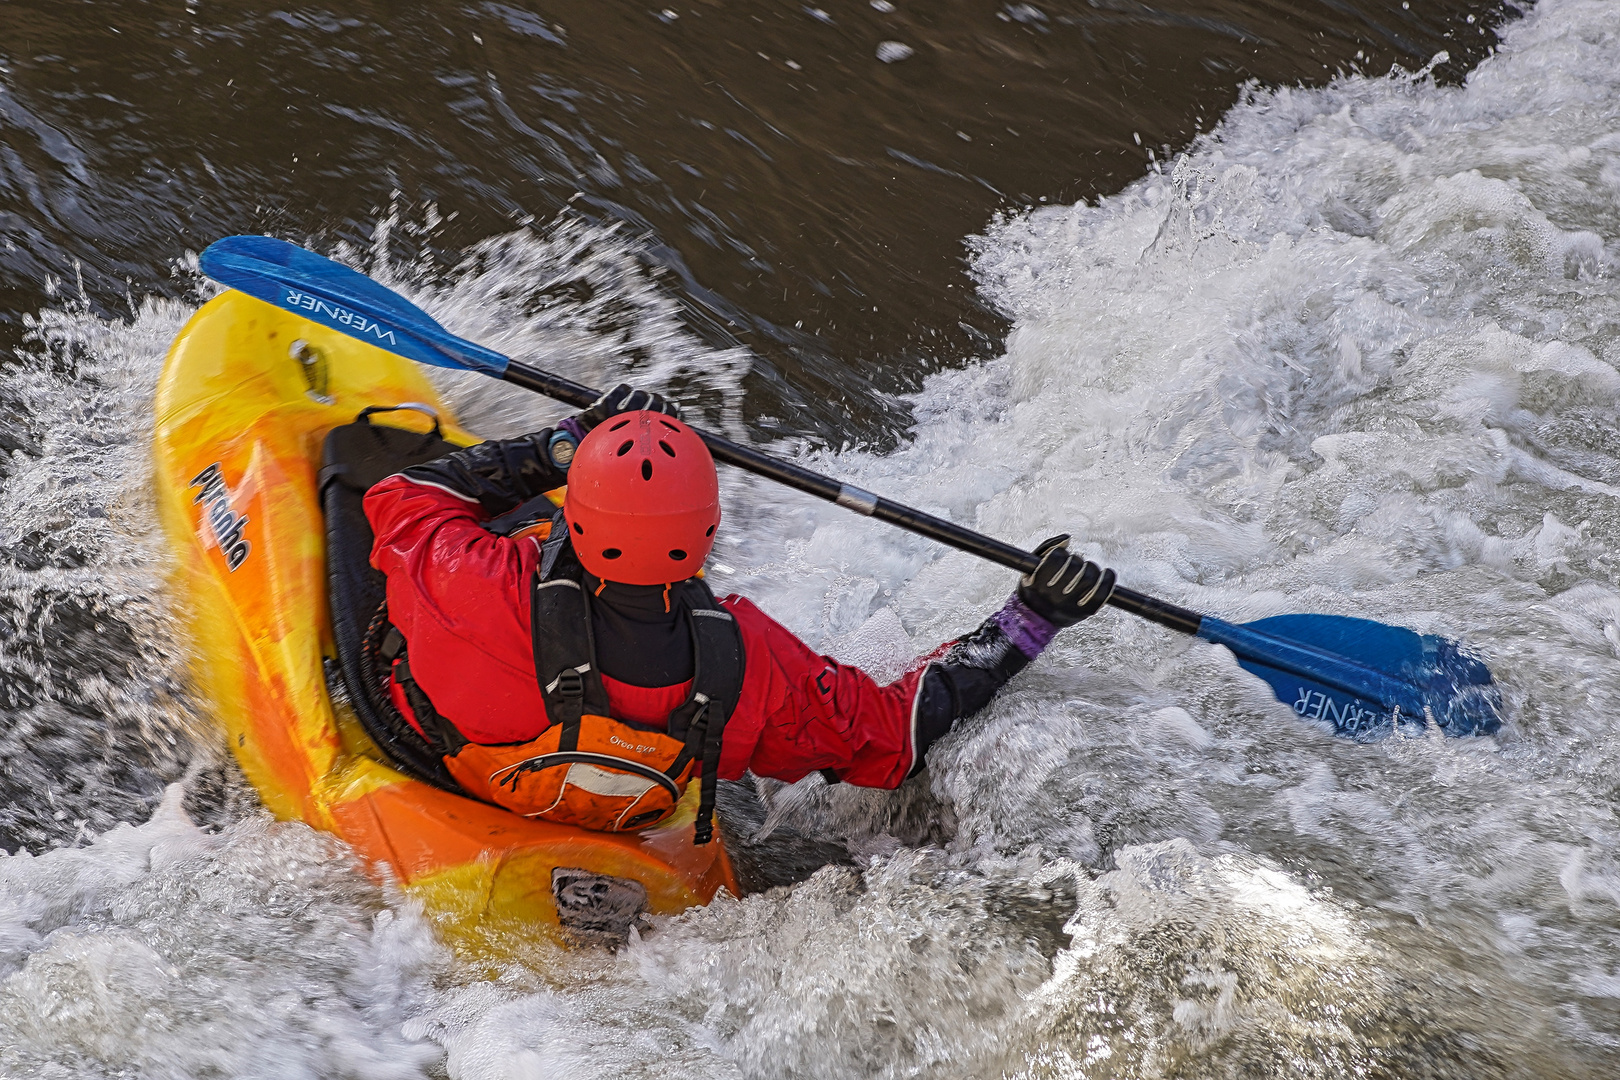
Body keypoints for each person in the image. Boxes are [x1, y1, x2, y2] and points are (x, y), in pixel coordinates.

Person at [364, 385, 1115, 843]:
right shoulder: (751, 662)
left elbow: (400, 497)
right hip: (617, 813)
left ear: (581, 518)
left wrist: (561, 446)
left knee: (353, 465)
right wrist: (1032, 618)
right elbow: (894, 735)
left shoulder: (477, 578)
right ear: (708, 534)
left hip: (443, 760)